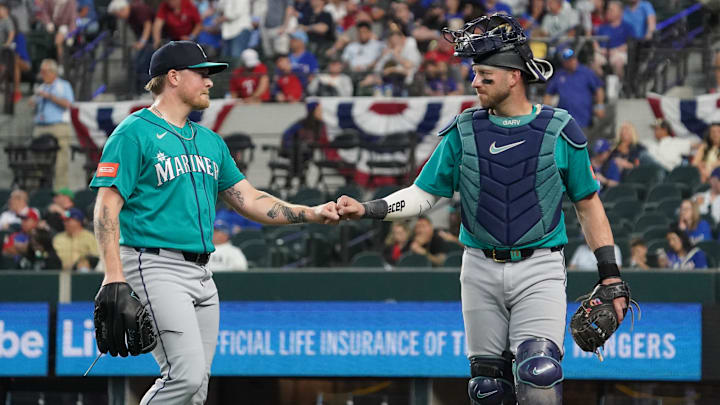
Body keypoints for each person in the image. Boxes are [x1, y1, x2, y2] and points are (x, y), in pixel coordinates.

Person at [335, 14, 629, 405]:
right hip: (478, 267)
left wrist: (610, 276)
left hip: (538, 267)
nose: (475, 83)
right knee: (487, 390)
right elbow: (423, 195)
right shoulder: (464, 129)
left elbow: (588, 205)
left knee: (539, 378)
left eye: (485, 75)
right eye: (475, 74)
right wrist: (368, 208)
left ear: (515, 76)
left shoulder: (559, 128)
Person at [88, 41, 339, 404]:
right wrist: (113, 275)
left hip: (202, 273)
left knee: (196, 390)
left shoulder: (210, 142)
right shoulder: (133, 133)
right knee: (184, 378)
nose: (209, 82)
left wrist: (312, 213)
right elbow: (106, 207)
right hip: (153, 263)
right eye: (202, 74)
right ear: (173, 77)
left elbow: (250, 200)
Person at [30, 59, 75, 189]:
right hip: (40, 125)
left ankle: (60, 190)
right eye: (41, 71)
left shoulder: (63, 85)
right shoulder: (41, 86)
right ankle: (39, 188)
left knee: (61, 160)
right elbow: (34, 103)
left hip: (58, 126)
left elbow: (68, 104)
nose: (41, 74)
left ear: (53, 72)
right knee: (36, 156)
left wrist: (49, 96)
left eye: (44, 71)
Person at [543, 48, 605, 131]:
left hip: (584, 117)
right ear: (564, 63)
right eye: (568, 60)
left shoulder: (586, 72)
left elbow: (598, 89)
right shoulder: (559, 75)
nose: (572, 62)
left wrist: (600, 106)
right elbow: (548, 93)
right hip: (564, 119)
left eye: (573, 59)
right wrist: (546, 112)